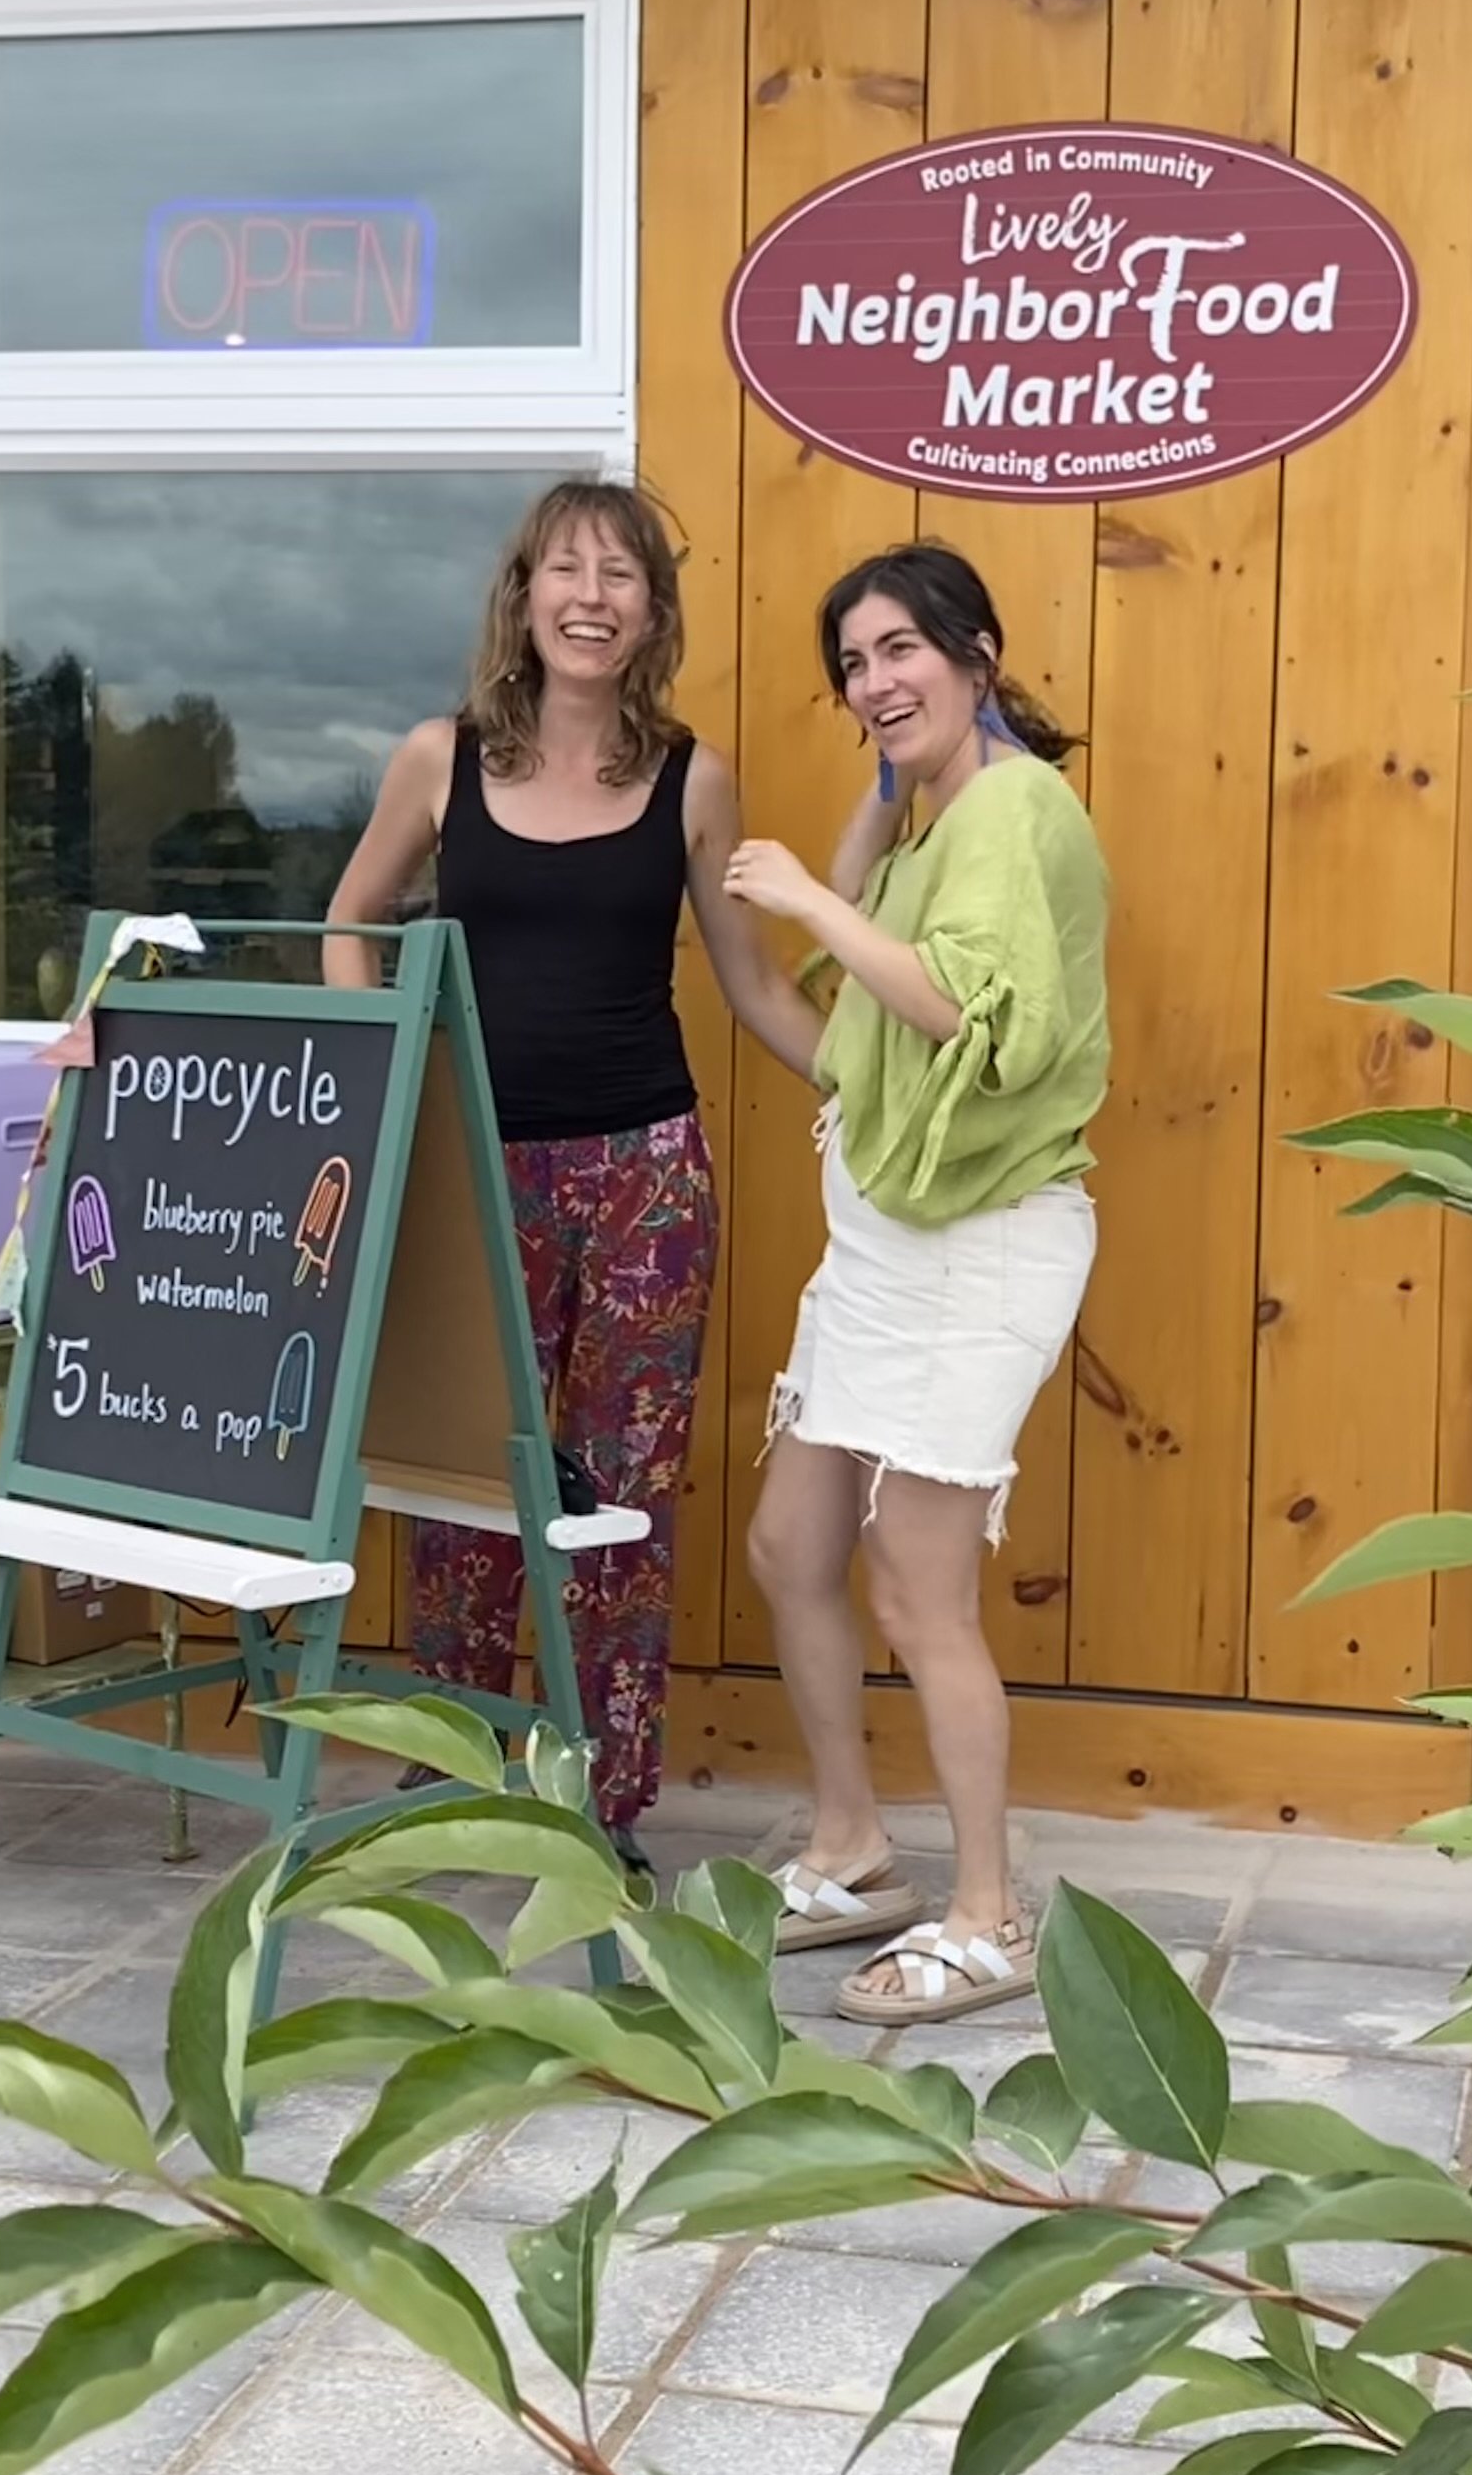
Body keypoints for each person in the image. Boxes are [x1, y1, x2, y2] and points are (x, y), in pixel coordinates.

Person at [326, 480, 822, 1866]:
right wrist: (388, 1086)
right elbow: (351, 923)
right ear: (525, 593)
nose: (592, 597)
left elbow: (754, 986)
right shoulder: (438, 760)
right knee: (470, 1490)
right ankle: (455, 1772)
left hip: (646, 1177)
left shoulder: (691, 778)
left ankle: (602, 1803)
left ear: (652, 612)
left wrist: (878, 1090)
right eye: (568, 569)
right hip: (471, 1174)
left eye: (622, 575)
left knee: (618, 1500)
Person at [724, 541, 1108, 2024]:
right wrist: (886, 790)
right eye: (854, 666)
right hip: (888, 1243)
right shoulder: (946, 808)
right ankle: (853, 1848)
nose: (874, 682)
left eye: (901, 651)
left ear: (975, 652)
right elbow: (862, 910)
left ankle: (989, 1914)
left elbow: (962, 1013)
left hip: (981, 1242)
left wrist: (810, 908)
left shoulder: (1017, 808)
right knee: (790, 1544)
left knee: (916, 1586)